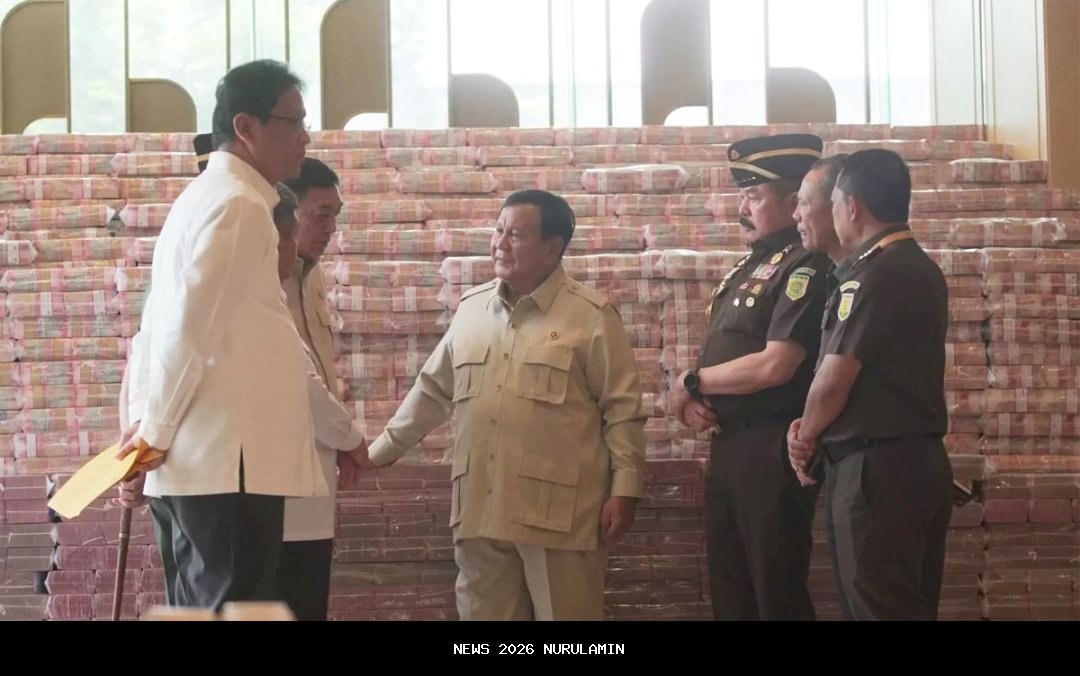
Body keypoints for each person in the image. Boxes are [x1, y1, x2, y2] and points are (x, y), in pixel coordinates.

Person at [367, 189, 647, 621]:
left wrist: (625, 488)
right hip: (481, 507)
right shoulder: (472, 310)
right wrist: (378, 454)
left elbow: (622, 409)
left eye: (515, 235)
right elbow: (433, 390)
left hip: (559, 513)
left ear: (552, 248)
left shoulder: (590, 317)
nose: (499, 244)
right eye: (498, 231)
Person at [115, 60, 325, 610]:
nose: (305, 137)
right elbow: (188, 329)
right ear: (246, 127)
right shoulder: (238, 206)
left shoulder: (202, 198)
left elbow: (155, 329)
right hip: (227, 465)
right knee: (234, 610)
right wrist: (152, 433)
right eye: (294, 121)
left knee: (200, 611)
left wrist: (145, 428)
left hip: (202, 462)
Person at [668, 134, 830, 620]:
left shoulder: (806, 264)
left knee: (773, 589)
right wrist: (700, 400)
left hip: (771, 447)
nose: (743, 208)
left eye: (754, 196)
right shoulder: (751, 264)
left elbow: (776, 365)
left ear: (793, 201)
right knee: (732, 587)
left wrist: (693, 382)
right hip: (730, 443)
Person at [788, 148, 953, 621]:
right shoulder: (918, 266)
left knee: (877, 608)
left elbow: (833, 381)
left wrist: (804, 437)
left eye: (831, 203)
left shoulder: (874, 275)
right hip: (913, 462)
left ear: (852, 206)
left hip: (876, 473)